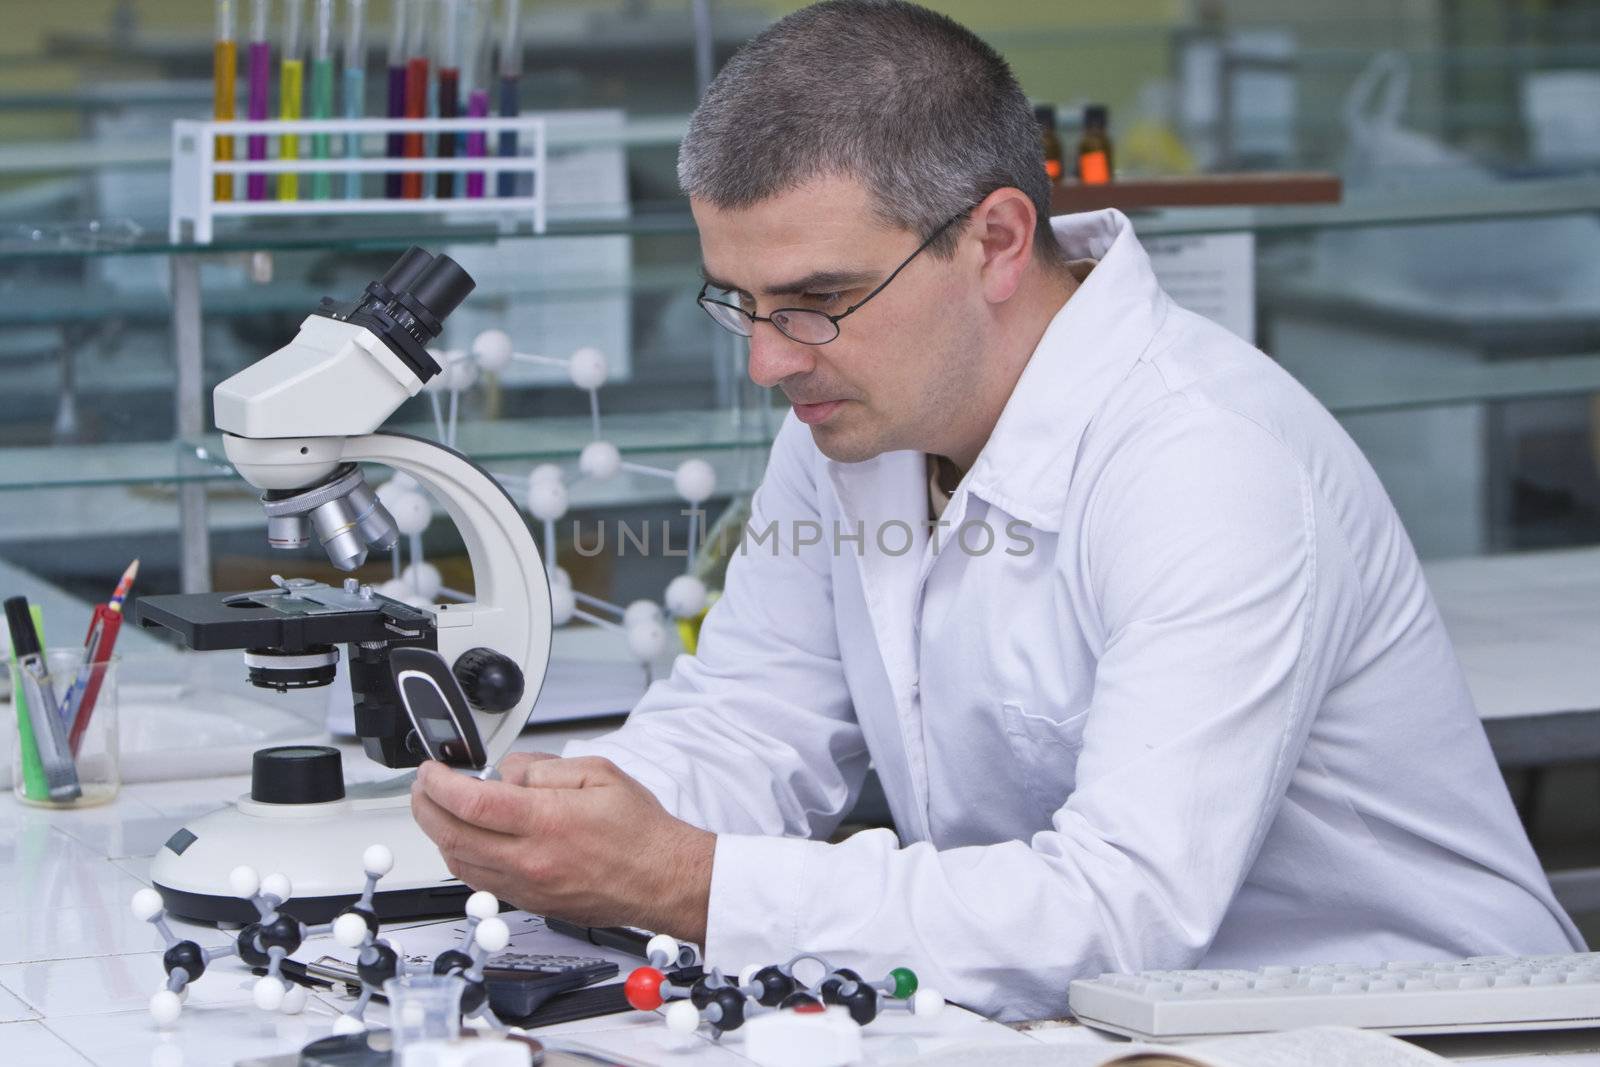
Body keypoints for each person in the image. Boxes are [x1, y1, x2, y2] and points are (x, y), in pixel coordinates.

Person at [411, 0, 1582, 1021]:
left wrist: (685, 879)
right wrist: (564, 819)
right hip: (1087, 1022)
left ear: (998, 239)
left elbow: (1120, 908)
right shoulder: (852, 413)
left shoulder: (1204, 462)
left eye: (817, 298)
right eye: (740, 303)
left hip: (1415, 1023)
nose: (767, 361)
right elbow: (754, 716)